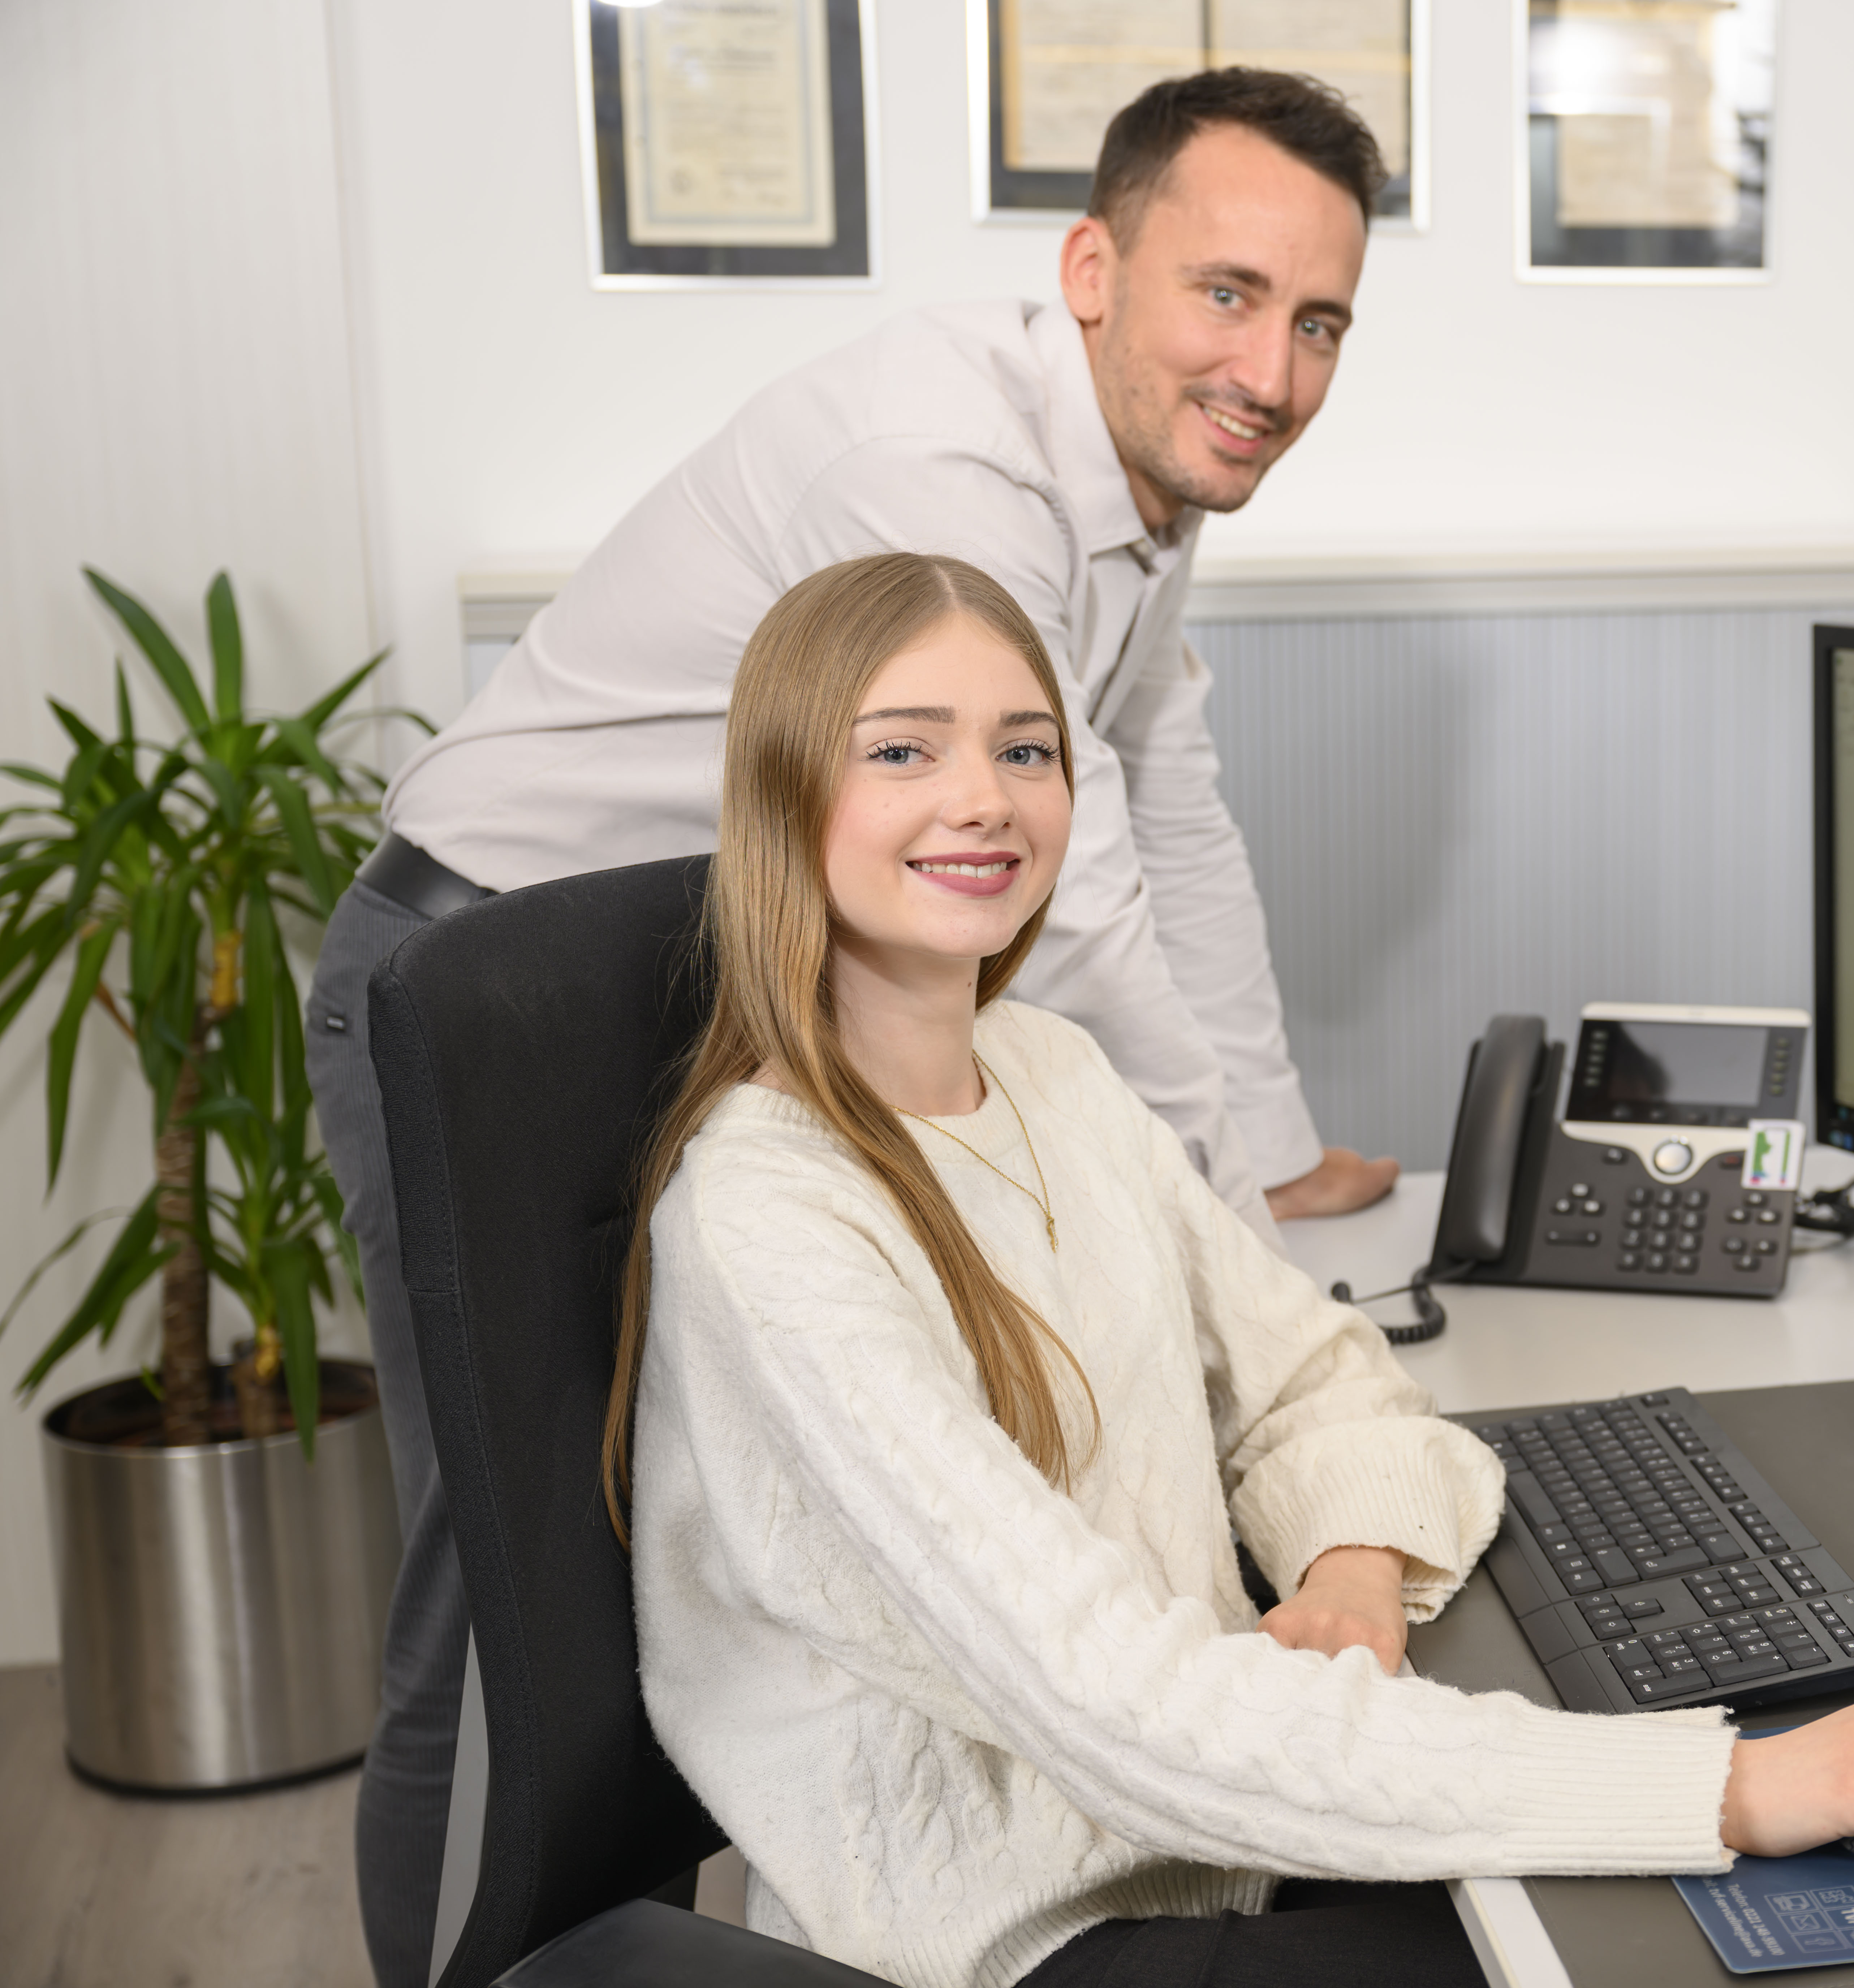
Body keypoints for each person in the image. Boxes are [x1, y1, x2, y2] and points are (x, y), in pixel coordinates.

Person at [616, 550, 1854, 1986]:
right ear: (787, 794)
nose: (984, 798)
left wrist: (1351, 1556)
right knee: (1707, 1922)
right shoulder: (774, 1213)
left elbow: (1314, 1372)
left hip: (1219, 1831)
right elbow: (1112, 1704)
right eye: (903, 750)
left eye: (1024, 746)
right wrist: (1733, 1787)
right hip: (1025, 1927)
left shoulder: (1046, 1070)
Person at [309, 71, 1403, 1983]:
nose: (1274, 366)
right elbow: (1078, 909)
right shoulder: (950, 463)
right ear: (1091, 267)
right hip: (488, 976)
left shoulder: (1141, 484)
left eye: (1318, 322)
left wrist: (1280, 1167)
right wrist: (1230, 1247)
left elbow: (1169, 796)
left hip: (727, 974)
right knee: (501, 1614)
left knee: (752, 1571)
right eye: (1226, 293)